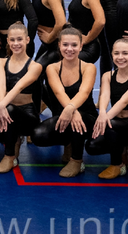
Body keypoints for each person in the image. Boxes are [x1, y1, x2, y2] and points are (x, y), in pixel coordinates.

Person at [31, 27, 98, 178]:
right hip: (64, 117)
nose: (69, 49)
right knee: (38, 135)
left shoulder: (89, 67)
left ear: (81, 46)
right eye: (65, 45)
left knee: (78, 120)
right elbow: (59, 92)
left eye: (74, 45)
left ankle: (77, 160)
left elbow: (84, 92)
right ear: (59, 45)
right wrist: (70, 111)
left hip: (87, 117)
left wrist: (71, 110)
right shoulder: (52, 68)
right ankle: (69, 143)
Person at [85, 39, 128, 179]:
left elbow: (124, 101)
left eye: (125, 53)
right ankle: (122, 147)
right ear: (112, 55)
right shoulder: (107, 75)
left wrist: (105, 118)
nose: (120, 57)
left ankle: (117, 165)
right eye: (116, 53)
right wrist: (102, 113)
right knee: (91, 146)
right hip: (116, 122)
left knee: (109, 125)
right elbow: (105, 95)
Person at [0, 23, 43, 173]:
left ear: (27, 40)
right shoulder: (1, 62)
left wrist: (2, 106)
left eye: (19, 39)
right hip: (7, 110)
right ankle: (14, 138)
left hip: (27, 114)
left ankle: (9, 156)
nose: (16, 43)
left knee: (10, 109)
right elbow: (1, 84)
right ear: (7, 41)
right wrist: (1, 105)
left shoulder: (35, 66)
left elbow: (18, 86)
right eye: (12, 40)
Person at [31, 0, 66, 84]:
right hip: (48, 45)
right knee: (38, 78)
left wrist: (50, 37)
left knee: (34, 76)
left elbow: (61, 22)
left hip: (55, 45)